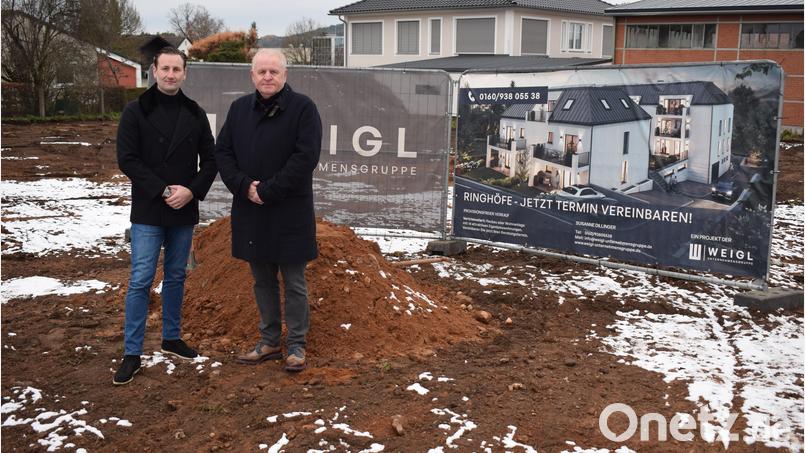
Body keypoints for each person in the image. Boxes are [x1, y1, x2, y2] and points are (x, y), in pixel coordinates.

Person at [113, 47, 218, 385]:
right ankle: (132, 353)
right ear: (154, 71)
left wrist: (190, 191)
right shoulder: (135, 111)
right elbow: (127, 159)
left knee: (176, 276)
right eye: (165, 68)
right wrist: (161, 190)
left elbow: (212, 161)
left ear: (185, 73)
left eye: (177, 69)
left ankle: (172, 339)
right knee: (141, 279)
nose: (171, 74)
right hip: (148, 208)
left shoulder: (195, 112)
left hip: (183, 209)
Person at [215, 49, 322, 372]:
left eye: (274, 72)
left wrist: (268, 190)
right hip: (252, 211)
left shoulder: (303, 109)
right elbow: (223, 153)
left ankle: (297, 346)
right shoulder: (238, 110)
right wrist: (246, 187)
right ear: (252, 75)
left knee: (294, 281)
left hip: (290, 210)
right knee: (262, 280)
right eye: (261, 72)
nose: (267, 77)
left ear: (285, 75)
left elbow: (305, 158)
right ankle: (269, 341)